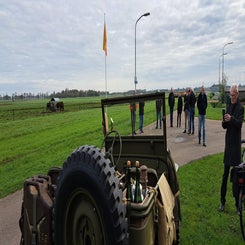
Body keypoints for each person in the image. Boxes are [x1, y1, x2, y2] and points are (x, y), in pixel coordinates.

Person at [218, 84, 244, 212]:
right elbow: (225, 127)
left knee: (236, 178)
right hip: (228, 146)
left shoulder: (240, 107)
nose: (231, 97)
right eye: (230, 94)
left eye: (233, 95)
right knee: (224, 175)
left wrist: (231, 118)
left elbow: (239, 124)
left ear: (237, 95)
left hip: (236, 146)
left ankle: (237, 205)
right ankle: (222, 201)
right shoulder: (229, 106)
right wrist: (224, 121)